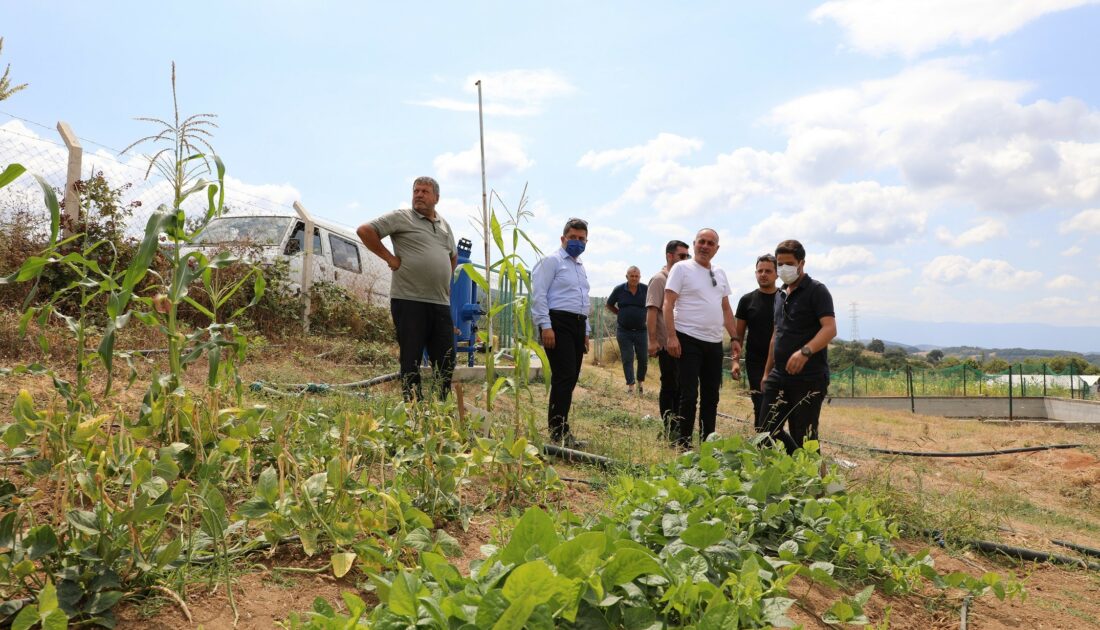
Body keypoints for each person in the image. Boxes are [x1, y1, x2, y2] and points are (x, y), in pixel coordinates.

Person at [357, 176, 457, 402]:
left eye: (425, 191)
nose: (419, 195)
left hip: (440, 302)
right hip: (409, 300)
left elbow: (453, 255)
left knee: (446, 359)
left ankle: (440, 407)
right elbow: (365, 231)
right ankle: (414, 409)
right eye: (416, 191)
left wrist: (446, 281)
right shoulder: (401, 217)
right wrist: (389, 258)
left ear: (436, 198)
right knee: (410, 358)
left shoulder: (444, 226)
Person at [759, 239, 837, 454]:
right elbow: (776, 335)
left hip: (809, 377)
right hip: (779, 374)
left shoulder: (817, 291)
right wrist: (767, 372)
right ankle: (795, 467)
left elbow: (829, 328)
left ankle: (815, 482)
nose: (783, 269)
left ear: (801, 263)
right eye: (780, 264)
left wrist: (805, 352)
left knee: (804, 435)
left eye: (789, 263)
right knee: (765, 430)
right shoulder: (780, 294)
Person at [663, 229, 736, 448]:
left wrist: (735, 338)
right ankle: (683, 443)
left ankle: (707, 444)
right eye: (701, 242)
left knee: (711, 395)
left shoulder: (720, 272)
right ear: (694, 244)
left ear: (717, 248)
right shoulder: (681, 268)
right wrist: (672, 336)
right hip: (687, 338)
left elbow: (725, 307)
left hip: (714, 342)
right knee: (688, 393)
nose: (705, 246)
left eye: (710, 243)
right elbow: (668, 304)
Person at [531, 218, 591, 447]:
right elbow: (539, 295)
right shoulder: (552, 261)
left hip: (577, 324)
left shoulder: (579, 267)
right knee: (564, 376)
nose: (577, 242)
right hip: (558, 323)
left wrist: (585, 330)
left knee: (571, 377)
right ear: (563, 238)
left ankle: (562, 428)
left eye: (581, 238)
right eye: (573, 237)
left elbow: (582, 301)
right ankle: (557, 432)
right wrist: (546, 326)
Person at [647, 240, 690, 441]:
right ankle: (669, 428)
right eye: (682, 256)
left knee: (683, 386)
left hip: (683, 342)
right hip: (666, 342)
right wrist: (653, 340)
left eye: (687, 257)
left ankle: (680, 427)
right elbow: (652, 311)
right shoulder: (659, 279)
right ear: (670, 256)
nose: (686, 260)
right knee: (670, 385)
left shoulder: (682, 278)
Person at [732, 254, 779, 424]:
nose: (763, 274)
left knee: (777, 407)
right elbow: (738, 336)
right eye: (760, 271)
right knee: (760, 405)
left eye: (768, 271)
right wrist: (735, 362)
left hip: (780, 362)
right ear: (755, 273)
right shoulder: (746, 300)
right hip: (755, 362)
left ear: (777, 273)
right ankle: (762, 445)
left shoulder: (785, 298)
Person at [606, 266, 648, 395]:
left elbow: (653, 305)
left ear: (640, 277)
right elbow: (609, 304)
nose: (634, 278)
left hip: (642, 330)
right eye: (632, 276)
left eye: (637, 276)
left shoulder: (646, 289)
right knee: (627, 358)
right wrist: (620, 314)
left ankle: (640, 382)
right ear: (627, 277)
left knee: (643, 359)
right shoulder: (619, 289)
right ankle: (631, 386)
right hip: (624, 331)